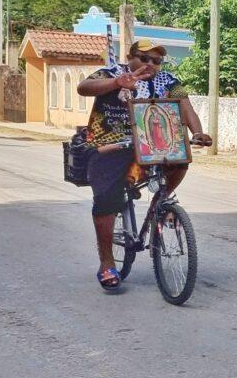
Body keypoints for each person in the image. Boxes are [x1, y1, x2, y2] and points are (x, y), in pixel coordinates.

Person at [77, 39, 212, 291]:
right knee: (106, 200)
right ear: (131, 56)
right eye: (144, 58)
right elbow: (83, 87)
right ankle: (107, 263)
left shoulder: (169, 82)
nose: (150, 64)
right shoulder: (111, 72)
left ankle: (158, 205)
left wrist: (198, 132)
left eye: (156, 61)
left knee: (180, 163)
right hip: (112, 144)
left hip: (152, 145)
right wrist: (117, 83)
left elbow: (185, 106)